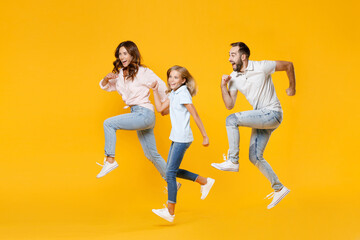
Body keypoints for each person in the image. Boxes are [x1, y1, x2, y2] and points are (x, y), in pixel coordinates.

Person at [211, 42, 296, 209]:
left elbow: (288, 65)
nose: (229, 59)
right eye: (229, 55)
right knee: (255, 157)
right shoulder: (233, 77)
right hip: (262, 117)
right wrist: (223, 86)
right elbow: (229, 105)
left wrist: (291, 87)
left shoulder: (262, 66)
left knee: (231, 120)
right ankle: (279, 188)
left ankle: (233, 160)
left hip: (272, 113)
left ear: (243, 56)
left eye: (233, 55)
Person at [149, 66, 215, 222]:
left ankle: (170, 211)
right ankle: (204, 181)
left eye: (176, 77)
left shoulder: (183, 93)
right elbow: (160, 109)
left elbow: (195, 114)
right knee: (170, 170)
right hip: (177, 137)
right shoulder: (174, 93)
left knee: (170, 173)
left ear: (183, 80)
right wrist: (154, 91)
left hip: (182, 138)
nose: (172, 80)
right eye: (170, 77)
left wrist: (205, 136)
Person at [96, 40, 169, 181]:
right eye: (119, 54)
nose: (122, 57)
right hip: (137, 114)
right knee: (151, 154)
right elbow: (106, 86)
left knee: (108, 123)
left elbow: (161, 86)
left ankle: (110, 160)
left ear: (132, 54)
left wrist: (166, 107)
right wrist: (106, 79)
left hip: (144, 113)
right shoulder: (119, 74)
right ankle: (172, 182)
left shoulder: (143, 72)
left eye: (125, 53)